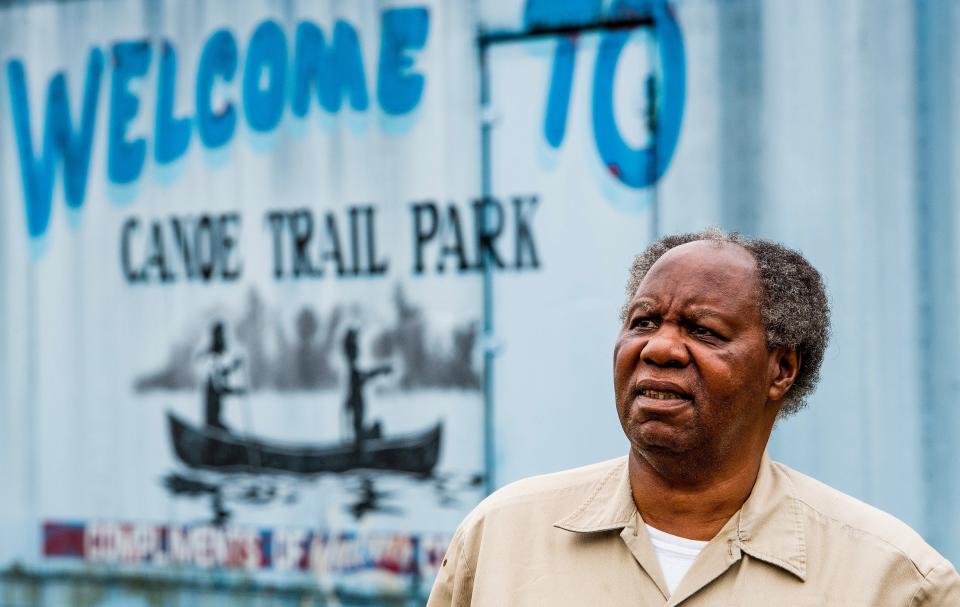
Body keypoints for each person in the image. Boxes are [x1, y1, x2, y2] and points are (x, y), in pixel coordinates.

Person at [427, 229, 960, 605]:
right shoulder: (501, 537)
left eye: (703, 331)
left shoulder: (891, 582)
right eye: (644, 321)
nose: (660, 348)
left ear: (781, 370)